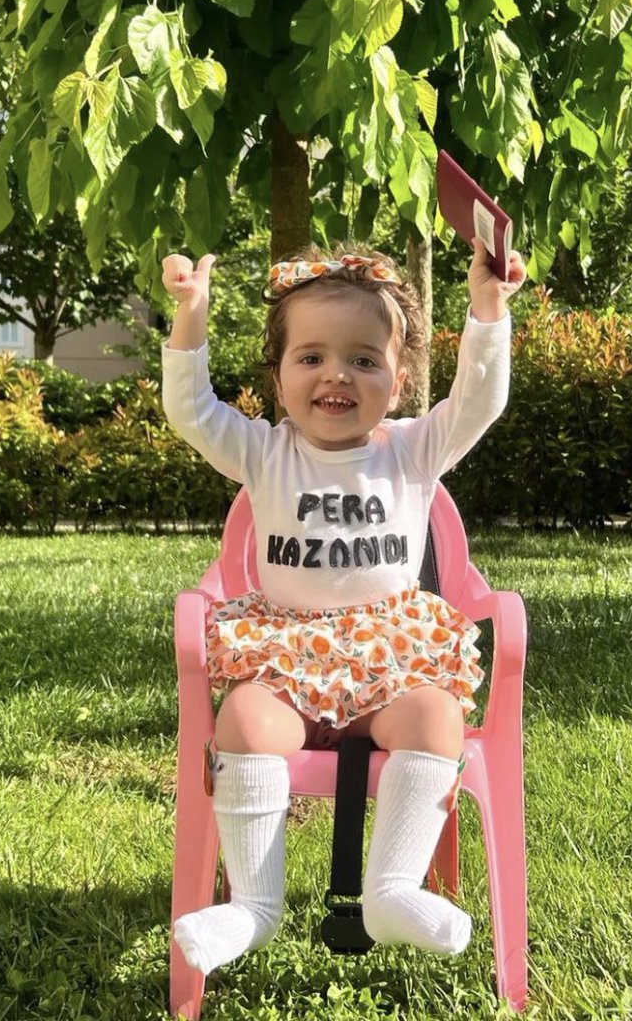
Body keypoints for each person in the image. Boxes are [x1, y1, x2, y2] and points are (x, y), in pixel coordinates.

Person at [161, 236, 525, 976]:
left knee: (436, 715)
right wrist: (191, 317)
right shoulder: (263, 452)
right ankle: (254, 908)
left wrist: (488, 312)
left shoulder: (414, 451)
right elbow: (190, 411)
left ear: (398, 381)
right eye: (312, 357)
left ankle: (391, 889)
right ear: (278, 374)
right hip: (287, 655)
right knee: (243, 719)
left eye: (365, 359)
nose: (337, 375)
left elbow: (480, 399)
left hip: (390, 658)